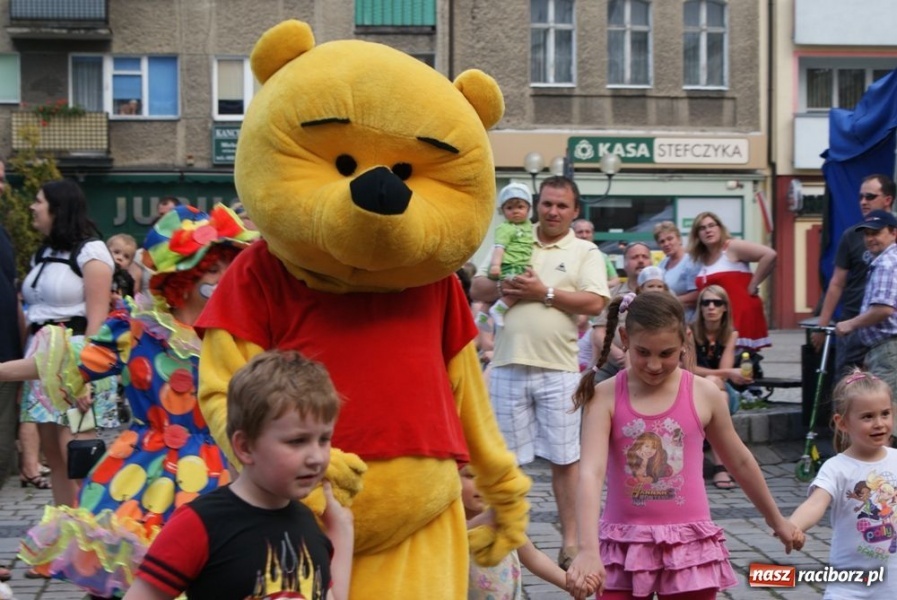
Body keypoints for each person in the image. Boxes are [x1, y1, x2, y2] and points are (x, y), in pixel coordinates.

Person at [12, 204, 257, 596]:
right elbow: (71, 361)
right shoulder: (137, 328)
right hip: (141, 470)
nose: (225, 276)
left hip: (219, 470)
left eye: (229, 265)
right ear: (184, 276)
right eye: (212, 268)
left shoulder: (239, 335)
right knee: (134, 575)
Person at [566, 292, 800, 599]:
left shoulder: (705, 394)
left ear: (684, 342)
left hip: (689, 546)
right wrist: (587, 549)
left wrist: (776, 519)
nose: (653, 364)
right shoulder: (605, 396)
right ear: (624, 338)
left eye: (666, 353)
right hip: (623, 545)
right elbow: (591, 473)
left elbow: (739, 461)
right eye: (643, 352)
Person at [124, 350, 354, 600]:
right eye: (297, 441)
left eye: (324, 440)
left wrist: (342, 532)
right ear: (245, 447)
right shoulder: (200, 524)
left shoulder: (308, 524)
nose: (317, 457)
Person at [470, 175, 609, 570]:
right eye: (547, 203)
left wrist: (543, 292)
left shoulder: (585, 250)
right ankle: (508, 536)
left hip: (560, 370)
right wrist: (503, 289)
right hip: (507, 366)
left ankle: (569, 543)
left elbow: (596, 302)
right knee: (506, 462)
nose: (553, 211)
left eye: (562, 206)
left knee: (565, 461)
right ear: (537, 204)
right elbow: (478, 286)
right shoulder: (512, 234)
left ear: (575, 210)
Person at [17, 179, 117, 508]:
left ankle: (89, 541)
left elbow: (98, 320)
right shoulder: (43, 252)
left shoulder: (91, 251)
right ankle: (64, 538)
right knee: (55, 459)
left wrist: (85, 377)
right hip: (40, 360)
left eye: (38, 201)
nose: (32, 207)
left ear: (58, 209)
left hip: (76, 361)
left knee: (77, 458)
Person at [787, 369, 897, 598]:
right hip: (848, 586)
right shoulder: (837, 468)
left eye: (885, 414)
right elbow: (815, 504)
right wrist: (794, 526)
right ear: (843, 423)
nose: (879, 423)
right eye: (867, 417)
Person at [813, 174, 896, 380]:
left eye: (870, 196)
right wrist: (822, 326)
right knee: (846, 387)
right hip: (854, 321)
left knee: (882, 394)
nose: (863, 202)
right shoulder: (852, 235)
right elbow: (837, 282)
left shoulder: (889, 253)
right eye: (861, 197)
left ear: (887, 199)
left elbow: (884, 308)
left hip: (884, 330)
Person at [461, 464, 567, 598]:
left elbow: (533, 557)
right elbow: (449, 546)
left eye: (490, 477)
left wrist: (569, 582)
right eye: (470, 476)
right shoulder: (448, 524)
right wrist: (480, 521)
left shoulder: (501, 518)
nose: (482, 483)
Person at [690, 285, 753, 489]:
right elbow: (689, 369)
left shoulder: (730, 334)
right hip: (693, 390)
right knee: (715, 387)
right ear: (700, 307)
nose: (711, 307)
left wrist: (720, 376)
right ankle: (720, 467)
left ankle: (714, 464)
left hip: (722, 391)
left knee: (717, 387)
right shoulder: (689, 331)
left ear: (725, 308)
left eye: (717, 303)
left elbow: (724, 371)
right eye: (706, 303)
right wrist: (723, 375)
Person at [689, 211, 776, 350]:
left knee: (738, 361)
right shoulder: (703, 258)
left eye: (711, 225)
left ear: (720, 228)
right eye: (702, 228)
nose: (708, 230)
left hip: (739, 313)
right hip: (718, 318)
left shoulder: (731, 247)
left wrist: (754, 284)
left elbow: (769, 255)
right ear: (697, 234)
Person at [834, 210, 897, 391]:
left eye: (876, 233)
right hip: (884, 348)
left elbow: (883, 309)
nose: (870, 239)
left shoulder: (886, 263)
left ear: (894, 233)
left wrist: (850, 324)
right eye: (867, 234)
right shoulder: (886, 261)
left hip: (887, 349)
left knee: (889, 409)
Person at [588, 242, 652, 381]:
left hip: (652, 362)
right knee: (588, 384)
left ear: (651, 262)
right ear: (625, 264)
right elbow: (598, 333)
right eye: (635, 257)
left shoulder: (663, 293)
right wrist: (618, 355)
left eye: (644, 257)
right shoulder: (611, 294)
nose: (641, 260)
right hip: (612, 363)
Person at [486, 182, 534, 326]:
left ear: (529, 209)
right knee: (518, 291)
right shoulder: (505, 228)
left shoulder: (528, 227)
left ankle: (482, 317)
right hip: (510, 265)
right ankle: (499, 310)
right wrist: (495, 265)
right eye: (509, 208)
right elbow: (499, 247)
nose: (515, 211)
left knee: (500, 294)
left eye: (520, 207)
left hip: (520, 264)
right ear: (503, 210)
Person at [653, 221, 699, 322]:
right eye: (662, 241)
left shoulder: (691, 261)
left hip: (688, 321)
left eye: (670, 239)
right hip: (667, 321)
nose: (666, 244)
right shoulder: (661, 265)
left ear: (679, 239)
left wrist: (669, 301)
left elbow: (697, 295)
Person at [573, 218, 620, 288]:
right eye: (580, 232)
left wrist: (597, 285)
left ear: (593, 234)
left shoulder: (602, 256)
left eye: (587, 232)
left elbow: (615, 281)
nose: (584, 236)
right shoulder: (566, 255)